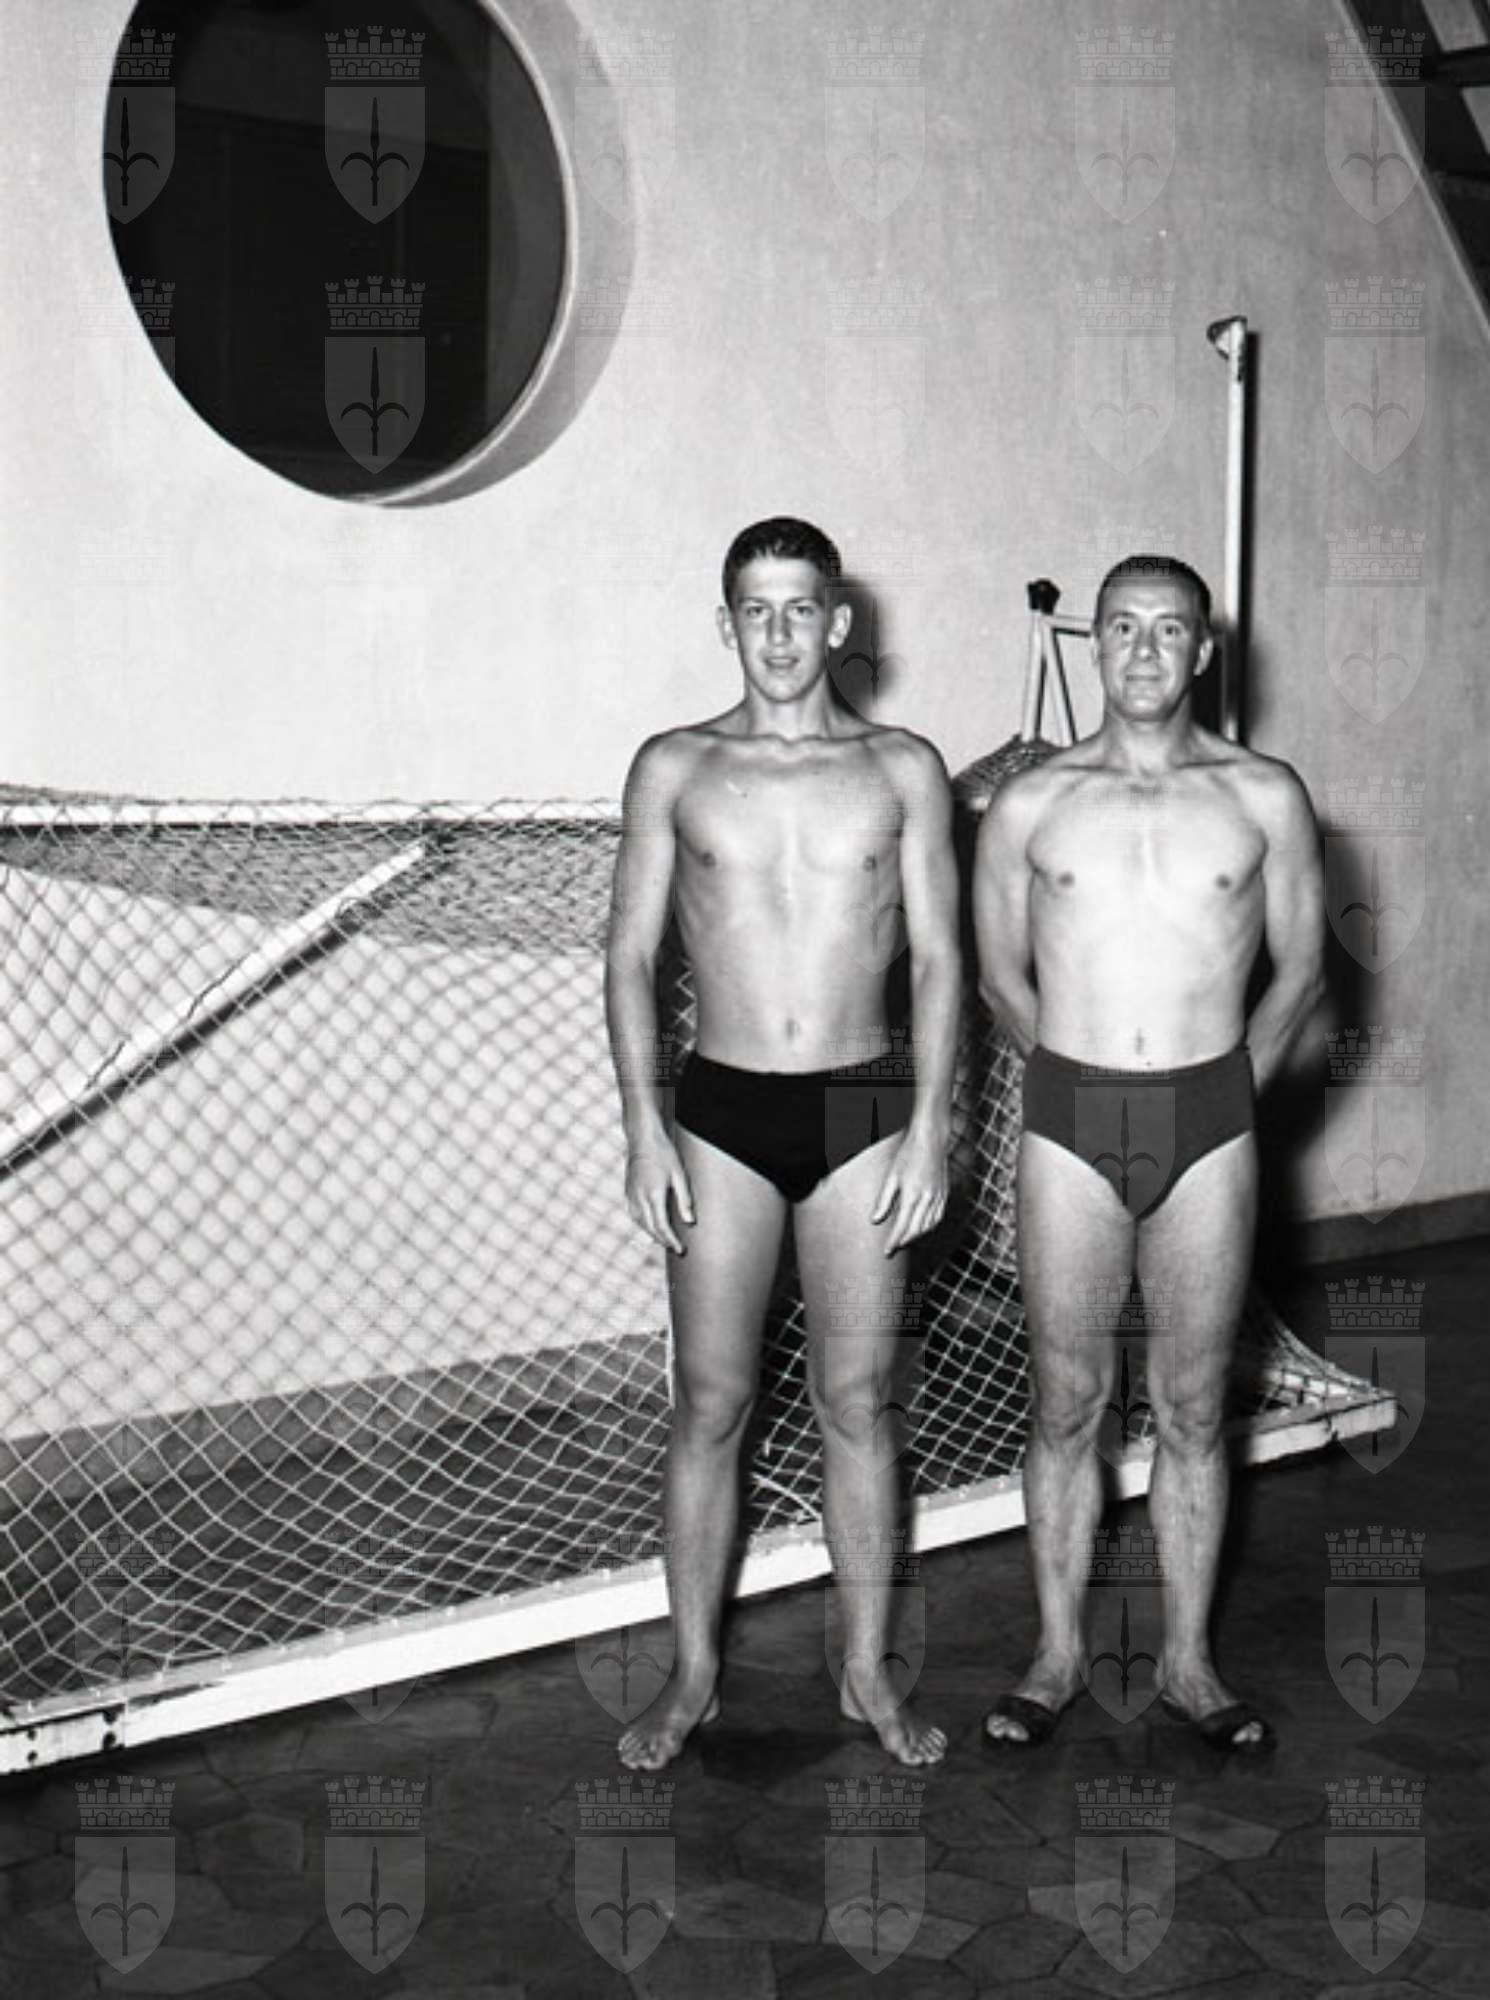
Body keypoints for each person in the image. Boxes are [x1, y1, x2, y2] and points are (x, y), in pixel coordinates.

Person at [605, 517, 960, 1769]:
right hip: (721, 1110)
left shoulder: (902, 766)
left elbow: (943, 959)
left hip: (863, 1109)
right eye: (753, 609)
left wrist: (931, 1123)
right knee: (710, 1401)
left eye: (799, 607)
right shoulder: (675, 765)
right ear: (725, 623)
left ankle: (865, 1671)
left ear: (838, 619)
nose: (777, 632)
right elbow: (628, 955)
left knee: (855, 1401)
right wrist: (644, 1124)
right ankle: (694, 1673)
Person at [974, 553, 1326, 1754]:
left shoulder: (1261, 794)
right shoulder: (1030, 802)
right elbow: (996, 970)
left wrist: (1224, 1096)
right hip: (1071, 1120)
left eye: (1167, 630)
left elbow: (1303, 969)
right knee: (1065, 1400)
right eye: (1120, 627)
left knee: (1189, 1404)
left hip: (1208, 1120)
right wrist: (1068, 1079)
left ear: (1203, 650)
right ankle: (1054, 1652)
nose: (1140, 650)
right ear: (1093, 642)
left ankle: (1186, 1660)